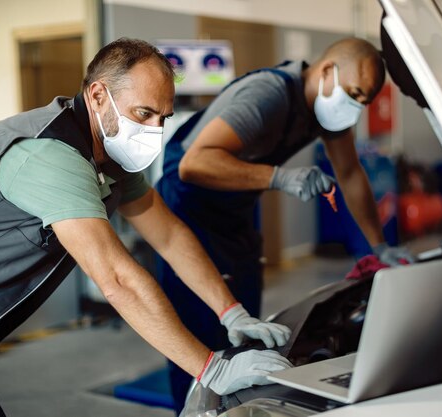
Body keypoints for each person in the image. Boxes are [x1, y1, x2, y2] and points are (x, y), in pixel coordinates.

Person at [0, 38, 292, 417]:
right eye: (143, 113)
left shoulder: (109, 156)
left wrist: (231, 311)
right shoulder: (47, 155)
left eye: (163, 118)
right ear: (99, 96)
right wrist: (211, 368)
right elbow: (117, 280)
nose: (154, 130)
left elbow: (168, 234)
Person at [156, 37, 414, 411]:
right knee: (200, 334)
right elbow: (193, 165)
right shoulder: (268, 95)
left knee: (247, 328)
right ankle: (193, 409)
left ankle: (238, 409)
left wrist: (380, 246)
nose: (356, 108)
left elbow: (351, 174)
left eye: (364, 101)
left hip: (236, 212)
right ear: (327, 71)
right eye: (354, 94)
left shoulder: (327, 111)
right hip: (188, 208)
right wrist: (281, 178)